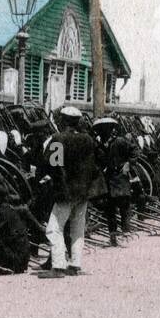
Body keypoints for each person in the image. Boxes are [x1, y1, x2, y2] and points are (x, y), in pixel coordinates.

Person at [40, 106, 99, 276]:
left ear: (63, 120)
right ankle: (75, 264)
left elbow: (53, 165)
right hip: (84, 192)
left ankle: (58, 266)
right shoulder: (88, 139)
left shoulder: (58, 139)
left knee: (53, 228)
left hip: (66, 191)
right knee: (78, 229)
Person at [93, 118, 135, 246]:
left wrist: (128, 163)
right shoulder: (99, 145)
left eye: (105, 130)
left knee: (124, 206)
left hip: (120, 178)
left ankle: (126, 232)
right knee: (109, 209)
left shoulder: (120, 141)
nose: (103, 133)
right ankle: (113, 235)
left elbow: (134, 151)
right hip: (108, 180)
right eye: (100, 131)